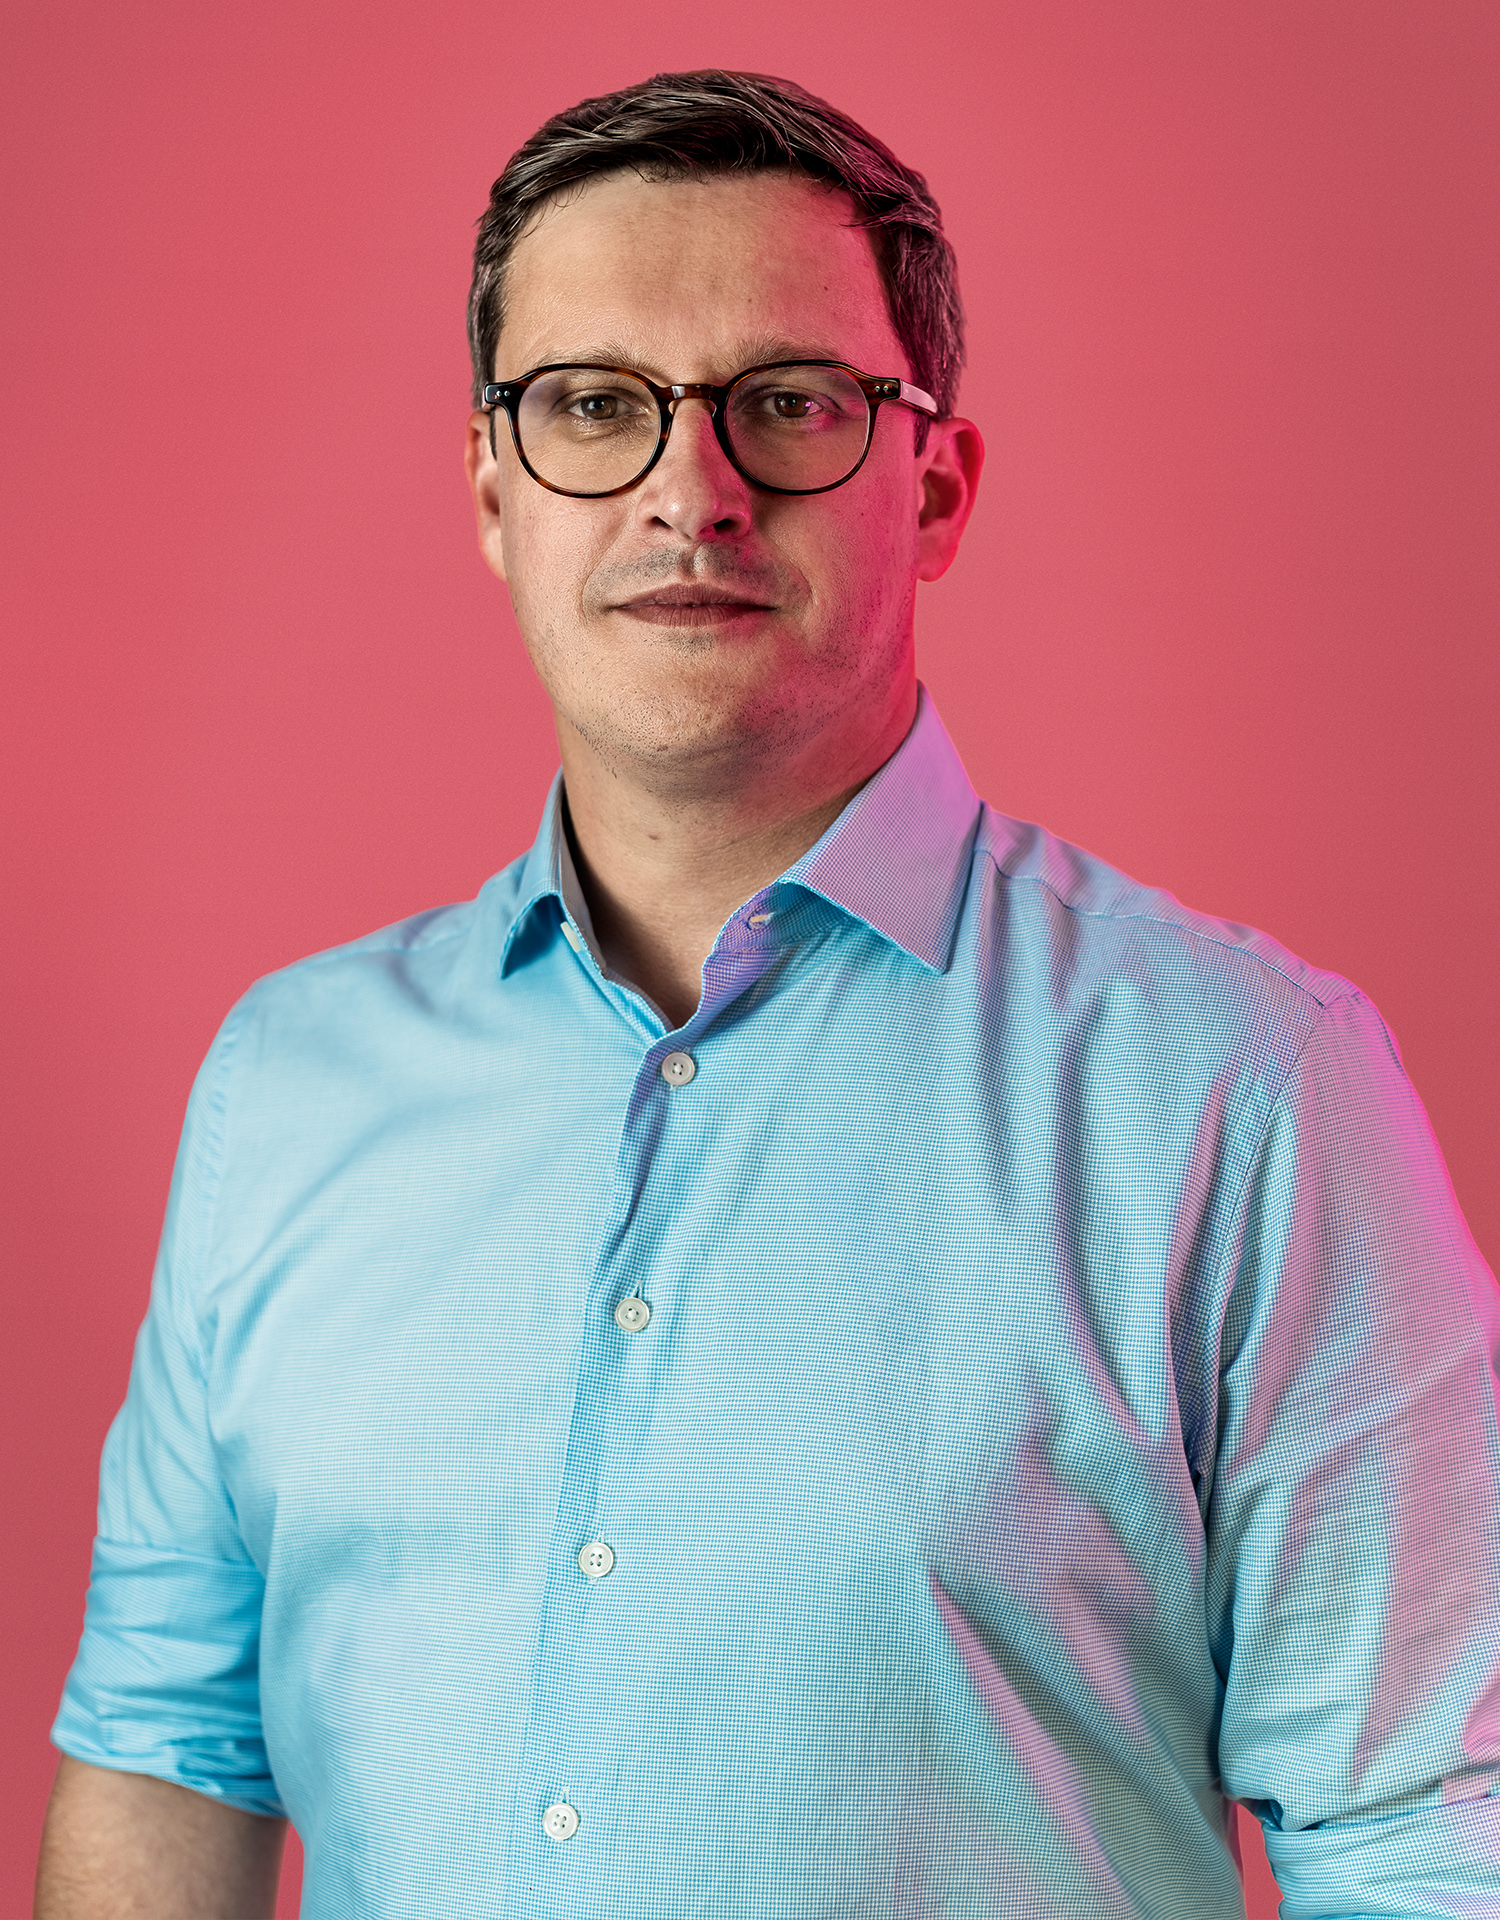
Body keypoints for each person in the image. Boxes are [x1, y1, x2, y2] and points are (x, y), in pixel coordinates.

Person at [34, 68, 1500, 1920]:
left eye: (789, 404)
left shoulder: (1249, 1092)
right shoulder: (286, 1085)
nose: (689, 493)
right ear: (492, 494)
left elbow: (1426, 1845)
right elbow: (168, 1759)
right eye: (593, 406)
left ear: (935, 487)